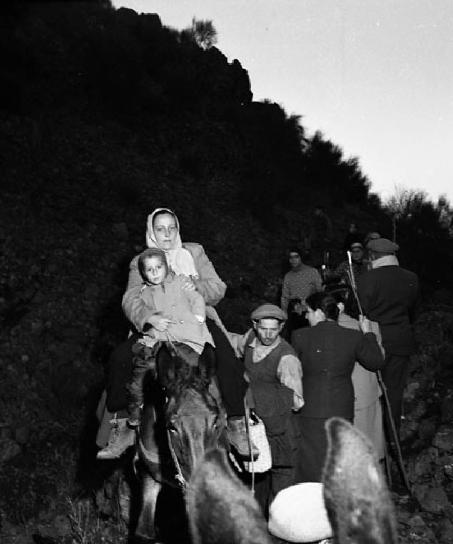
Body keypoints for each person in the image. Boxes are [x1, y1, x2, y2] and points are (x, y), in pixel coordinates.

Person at [96, 208, 253, 459]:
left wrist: (196, 286)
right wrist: (149, 318)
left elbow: (218, 288)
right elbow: (130, 299)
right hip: (160, 324)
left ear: (178, 229)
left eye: (172, 228)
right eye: (161, 228)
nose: (167, 234)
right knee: (120, 359)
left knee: (229, 363)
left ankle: (236, 423)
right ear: (152, 231)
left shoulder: (194, 252)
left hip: (194, 320)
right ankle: (123, 424)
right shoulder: (141, 261)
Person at [291, 291, 385, 483]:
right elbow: (376, 361)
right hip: (342, 407)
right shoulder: (353, 336)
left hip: (310, 408)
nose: (306, 316)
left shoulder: (299, 336)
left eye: (308, 312)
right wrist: (368, 333)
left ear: (319, 312)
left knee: (311, 463)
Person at [125, 248, 214, 428]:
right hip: (160, 342)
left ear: (167, 267)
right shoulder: (143, 293)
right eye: (150, 269)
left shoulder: (181, 282)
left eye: (159, 267)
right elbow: (138, 310)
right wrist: (151, 321)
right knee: (143, 371)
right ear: (143, 273)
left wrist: (198, 316)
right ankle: (136, 406)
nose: (155, 272)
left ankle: (219, 415)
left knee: (203, 372)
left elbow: (196, 298)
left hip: (189, 338)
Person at [229, 304, 304, 516]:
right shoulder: (250, 339)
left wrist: (260, 396)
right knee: (256, 475)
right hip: (254, 425)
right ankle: (256, 522)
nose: (268, 335)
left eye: (274, 329)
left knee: (281, 477)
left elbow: (297, 401)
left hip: (277, 426)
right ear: (255, 325)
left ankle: (279, 528)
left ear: (281, 327)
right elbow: (235, 345)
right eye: (263, 329)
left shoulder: (287, 358)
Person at [356, 238, 419, 435]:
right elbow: (414, 312)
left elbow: (359, 311)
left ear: (373, 256)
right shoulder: (411, 277)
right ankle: (393, 440)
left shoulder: (368, 278)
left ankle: (375, 442)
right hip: (400, 340)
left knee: (370, 393)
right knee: (394, 392)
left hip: (375, 341)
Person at [334, 292, 385, 462]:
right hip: (368, 392)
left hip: (347, 395)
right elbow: (381, 355)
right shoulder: (370, 325)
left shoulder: (333, 329)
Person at [280, 248, 323, 312]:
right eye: (291, 258)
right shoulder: (288, 276)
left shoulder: (312, 272)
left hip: (310, 311)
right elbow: (285, 297)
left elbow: (320, 292)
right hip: (294, 312)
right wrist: (284, 312)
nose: (293, 260)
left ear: (301, 258)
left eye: (296, 257)